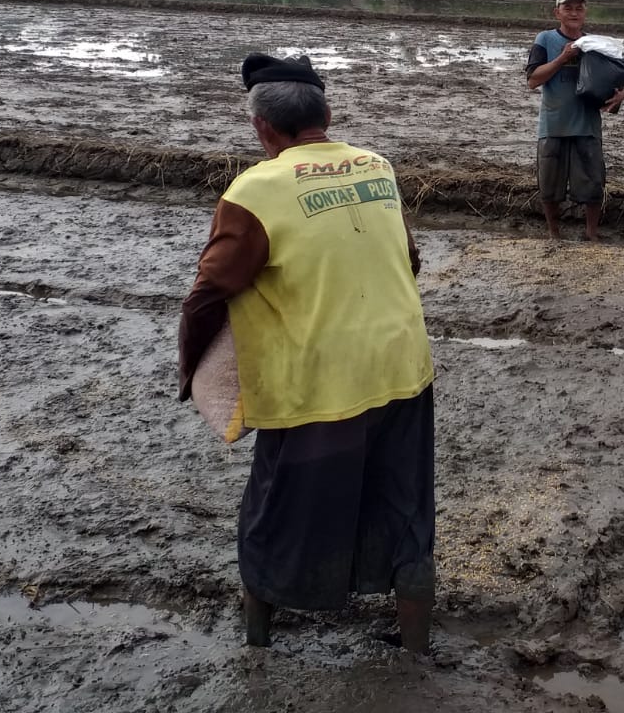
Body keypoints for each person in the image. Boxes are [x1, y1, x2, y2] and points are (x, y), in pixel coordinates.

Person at [177, 53, 436, 653]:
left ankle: (259, 639)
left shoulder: (254, 190)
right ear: (326, 113)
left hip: (318, 379)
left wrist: (194, 370)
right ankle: (416, 648)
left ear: (262, 128)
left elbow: (210, 292)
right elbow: (409, 259)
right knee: (403, 505)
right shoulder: (377, 166)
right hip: (403, 366)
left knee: (277, 507)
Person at [525, 0, 624, 241]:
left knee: (593, 183)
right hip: (554, 124)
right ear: (557, 12)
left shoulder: (595, 44)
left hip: (587, 124)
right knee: (550, 185)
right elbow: (532, 79)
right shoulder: (545, 40)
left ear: (585, 12)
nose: (574, 13)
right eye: (568, 8)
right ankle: (554, 235)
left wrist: (622, 94)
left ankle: (591, 234)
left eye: (579, 8)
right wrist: (562, 59)